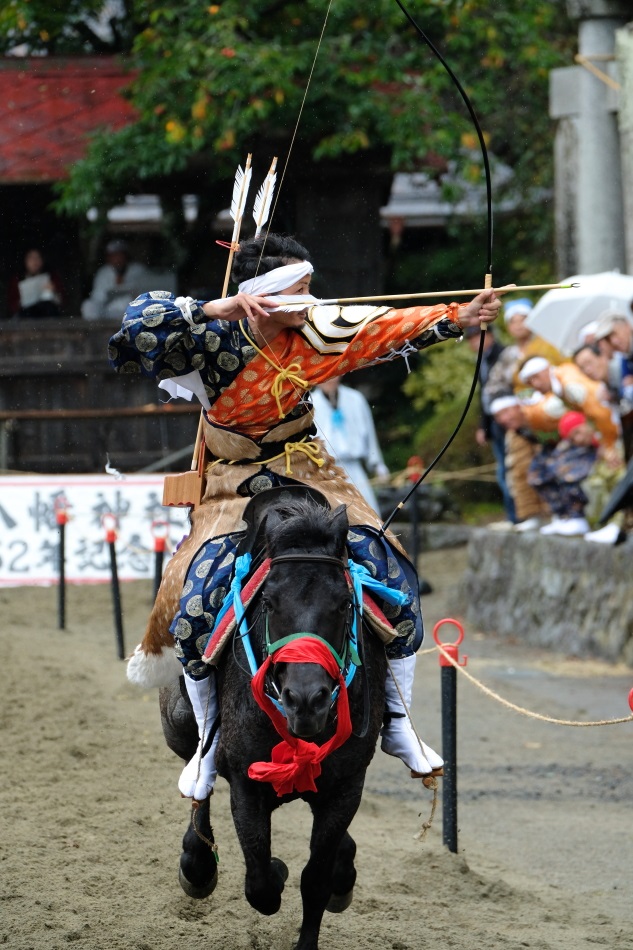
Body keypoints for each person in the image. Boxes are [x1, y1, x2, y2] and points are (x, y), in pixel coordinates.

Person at [109, 232, 501, 800]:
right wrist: (212, 307)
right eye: (301, 288)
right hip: (231, 482)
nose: (313, 299)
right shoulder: (212, 340)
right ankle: (210, 739)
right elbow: (138, 326)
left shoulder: (314, 335)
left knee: (392, 572)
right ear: (263, 296)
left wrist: (459, 316)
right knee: (191, 598)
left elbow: (380, 330)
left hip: (310, 468)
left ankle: (396, 724)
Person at [484, 297, 563, 532]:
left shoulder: (548, 346)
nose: (519, 325)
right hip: (517, 416)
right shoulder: (507, 354)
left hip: (548, 414)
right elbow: (494, 385)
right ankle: (530, 513)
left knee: (550, 463)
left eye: (523, 320)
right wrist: (505, 409)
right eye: (514, 321)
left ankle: (557, 512)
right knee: (519, 467)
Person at [311, 376, 389, 512]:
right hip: (325, 472)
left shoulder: (355, 399)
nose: (329, 381)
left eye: (332, 376)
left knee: (368, 512)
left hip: (355, 470)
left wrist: (377, 464)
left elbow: (369, 433)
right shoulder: (310, 403)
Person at [463, 325, 514, 525]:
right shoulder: (482, 360)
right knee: (502, 468)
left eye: (478, 337)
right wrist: (482, 426)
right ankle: (512, 515)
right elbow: (483, 397)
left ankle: (519, 515)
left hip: (508, 418)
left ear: (491, 335)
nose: (475, 342)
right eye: (472, 339)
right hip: (493, 420)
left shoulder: (504, 355)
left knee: (510, 468)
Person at [528, 411, 598, 537]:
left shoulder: (600, 441)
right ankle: (564, 516)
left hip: (592, 488)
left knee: (567, 477)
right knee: (540, 477)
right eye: (572, 436)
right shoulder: (571, 446)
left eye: (578, 432)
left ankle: (577, 518)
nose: (578, 438)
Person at [82, 239, 152, 320]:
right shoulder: (103, 272)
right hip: (107, 310)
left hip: (130, 311)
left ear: (125, 255)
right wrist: (111, 292)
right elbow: (97, 297)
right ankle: (94, 331)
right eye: (113, 255)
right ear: (108, 257)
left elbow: (145, 293)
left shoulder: (138, 270)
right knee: (87, 305)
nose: (117, 258)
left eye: (119, 255)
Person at [8, 248, 63, 318]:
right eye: (31, 258)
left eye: (38, 258)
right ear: (25, 261)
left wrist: (54, 291)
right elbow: (12, 306)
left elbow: (62, 302)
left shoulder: (52, 277)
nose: (35, 261)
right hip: (26, 316)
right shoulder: (17, 280)